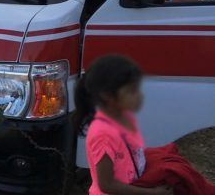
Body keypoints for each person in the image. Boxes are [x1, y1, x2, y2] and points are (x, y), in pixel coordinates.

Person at [74, 56, 213, 195]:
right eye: (131, 91)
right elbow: (107, 185)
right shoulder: (103, 135)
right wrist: (152, 192)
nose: (139, 95)